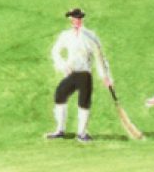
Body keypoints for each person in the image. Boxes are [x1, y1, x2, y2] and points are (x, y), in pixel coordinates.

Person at [46, 8, 112, 142]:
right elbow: (55, 51)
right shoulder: (65, 35)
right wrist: (63, 65)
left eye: (79, 18)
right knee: (60, 95)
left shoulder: (90, 36)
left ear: (81, 19)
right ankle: (60, 130)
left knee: (84, 102)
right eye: (74, 18)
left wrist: (105, 76)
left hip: (84, 74)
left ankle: (82, 133)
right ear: (71, 20)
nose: (76, 21)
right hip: (71, 73)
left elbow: (100, 57)